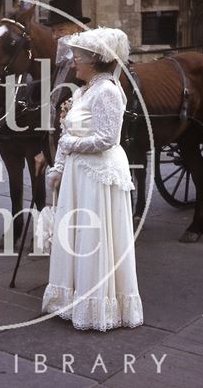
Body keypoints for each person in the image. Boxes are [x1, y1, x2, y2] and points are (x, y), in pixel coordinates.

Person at [41, 28, 143, 331]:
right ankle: (72, 298)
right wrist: (57, 168)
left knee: (94, 238)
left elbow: (106, 139)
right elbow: (65, 134)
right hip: (77, 174)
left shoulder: (108, 91)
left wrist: (71, 146)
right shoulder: (83, 91)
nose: (74, 64)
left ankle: (98, 304)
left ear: (94, 61)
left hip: (96, 176)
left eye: (78, 59)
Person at [35, 0, 89, 177]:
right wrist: (46, 151)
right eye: (53, 30)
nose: (55, 36)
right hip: (58, 151)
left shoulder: (90, 66)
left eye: (61, 29)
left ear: (78, 28)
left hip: (79, 154)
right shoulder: (60, 63)